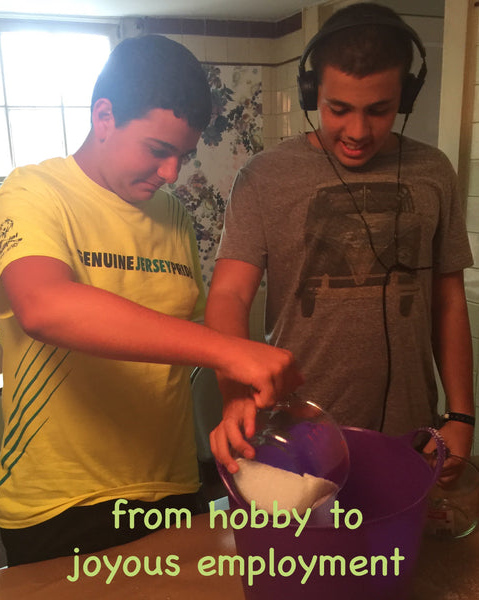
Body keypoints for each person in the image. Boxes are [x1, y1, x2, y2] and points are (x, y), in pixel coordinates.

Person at [0, 34, 302, 566]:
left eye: (183, 155)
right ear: (104, 117)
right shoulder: (33, 191)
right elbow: (44, 306)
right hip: (62, 501)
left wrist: (233, 397)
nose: (171, 173)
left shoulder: (172, 214)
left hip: (171, 487)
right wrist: (233, 352)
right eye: (158, 151)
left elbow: (187, 332)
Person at [205, 3, 475, 475]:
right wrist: (233, 397)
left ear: (406, 97)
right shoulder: (264, 176)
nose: (357, 131)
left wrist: (461, 415)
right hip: (297, 433)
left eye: (379, 110)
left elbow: (448, 299)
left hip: (411, 435)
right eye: (338, 109)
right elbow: (229, 294)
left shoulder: (434, 171)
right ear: (313, 93)